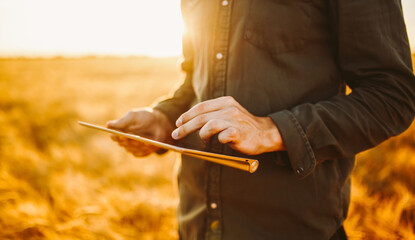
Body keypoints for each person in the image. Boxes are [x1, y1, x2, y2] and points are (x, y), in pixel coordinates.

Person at [107, 0, 415, 239]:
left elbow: (393, 94)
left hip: (292, 229)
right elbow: (196, 81)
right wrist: (163, 118)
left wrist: (274, 130)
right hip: (193, 223)